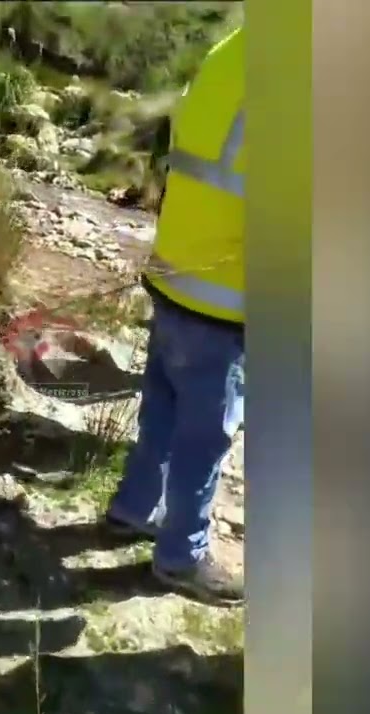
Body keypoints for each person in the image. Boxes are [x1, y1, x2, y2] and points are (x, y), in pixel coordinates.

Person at [101, 27, 245, 606]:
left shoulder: (233, 48)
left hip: (177, 268)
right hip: (225, 293)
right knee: (205, 431)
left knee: (163, 402)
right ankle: (181, 556)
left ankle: (135, 507)